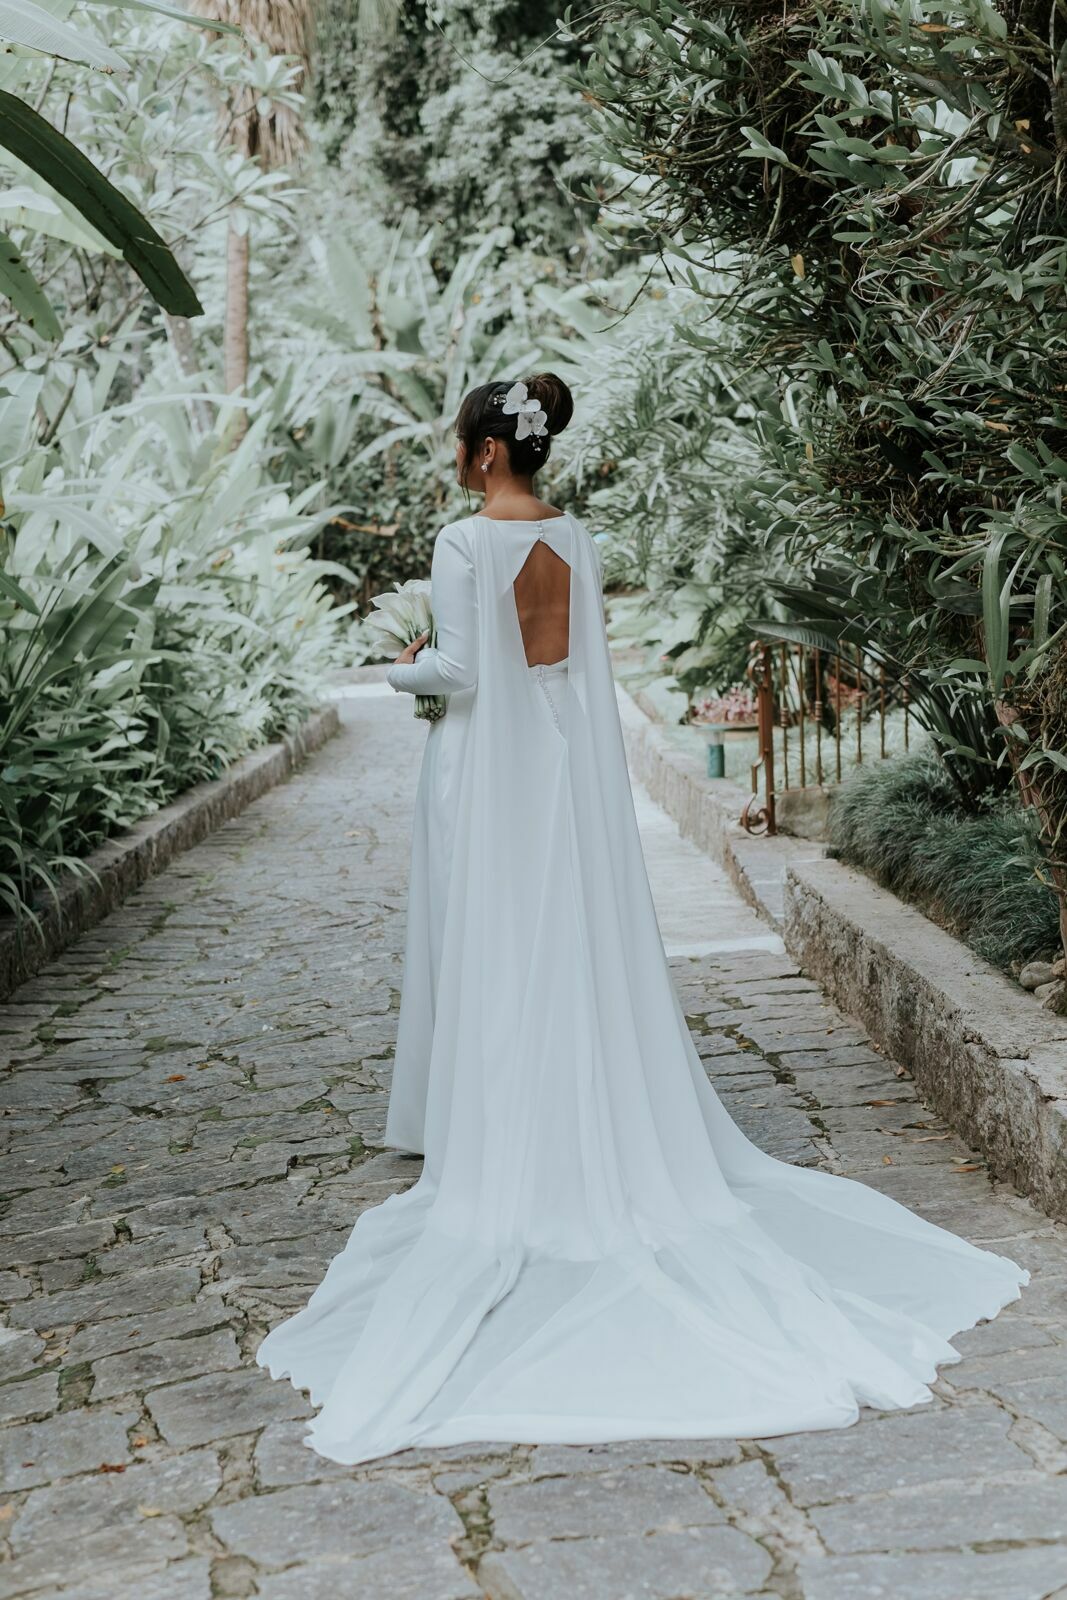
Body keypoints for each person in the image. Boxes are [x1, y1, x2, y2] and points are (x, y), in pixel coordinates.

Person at [257, 373, 1027, 1467]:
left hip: (487, 771)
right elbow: (562, 666)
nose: (453, 460)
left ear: (484, 454)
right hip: (564, 773)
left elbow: (466, 672)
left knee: (494, 939)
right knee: (568, 937)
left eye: (456, 445)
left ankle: (504, 1122)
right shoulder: (573, 536)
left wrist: (401, 668)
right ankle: (587, 1103)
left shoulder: (464, 542)